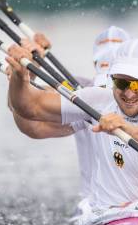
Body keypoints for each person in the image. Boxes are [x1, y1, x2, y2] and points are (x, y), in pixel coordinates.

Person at [6, 38, 138, 225]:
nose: (129, 93)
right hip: (107, 216)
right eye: (121, 82)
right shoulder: (96, 100)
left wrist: (126, 127)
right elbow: (29, 107)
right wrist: (20, 76)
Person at [8, 26, 130, 198]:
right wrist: (24, 74)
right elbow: (28, 118)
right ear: (95, 64)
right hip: (95, 206)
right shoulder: (79, 92)